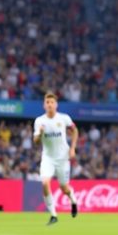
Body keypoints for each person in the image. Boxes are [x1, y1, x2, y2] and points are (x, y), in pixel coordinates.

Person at [33, 92, 79, 225]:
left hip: (63, 158)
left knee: (64, 188)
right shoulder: (39, 121)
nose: (49, 105)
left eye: (52, 102)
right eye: (47, 102)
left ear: (56, 105)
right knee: (45, 183)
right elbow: (35, 141)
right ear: (44, 105)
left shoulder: (64, 119)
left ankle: (73, 200)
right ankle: (53, 215)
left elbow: (75, 131)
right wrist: (40, 133)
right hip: (48, 158)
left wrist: (72, 148)